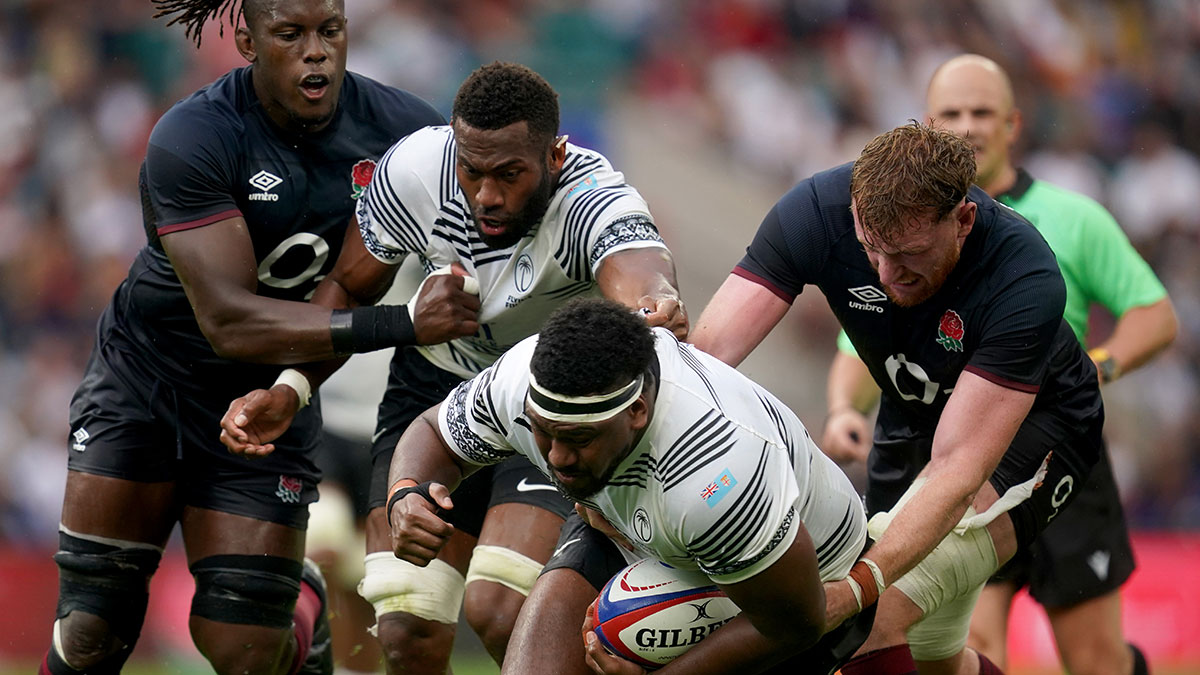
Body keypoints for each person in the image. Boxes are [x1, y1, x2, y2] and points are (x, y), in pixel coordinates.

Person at [220, 62, 688, 674]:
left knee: (500, 608)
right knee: (407, 628)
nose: (487, 195)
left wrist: (655, 303)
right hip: (433, 388)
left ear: (555, 156)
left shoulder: (593, 200)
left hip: (547, 404)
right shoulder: (413, 171)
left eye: (509, 174)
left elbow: (640, 271)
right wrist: (294, 385)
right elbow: (350, 287)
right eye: (472, 172)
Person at [45, 0, 444, 673]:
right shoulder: (195, 134)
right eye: (290, 34)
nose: (315, 52)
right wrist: (403, 324)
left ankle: (303, 617)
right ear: (247, 39)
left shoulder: (407, 135)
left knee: (247, 649)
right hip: (146, 380)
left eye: (330, 32)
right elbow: (229, 320)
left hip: (270, 394)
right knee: (92, 625)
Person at [690, 122, 1105, 674]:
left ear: (962, 220)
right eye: (870, 250)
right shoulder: (816, 211)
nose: (887, 274)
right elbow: (706, 359)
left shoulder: (1024, 274)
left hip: (1036, 435)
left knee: (867, 617)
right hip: (913, 423)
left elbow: (958, 468)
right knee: (935, 658)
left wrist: (860, 586)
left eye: (908, 254)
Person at [819, 54, 1175, 675]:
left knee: (1095, 661)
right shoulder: (904, 237)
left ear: (1013, 124)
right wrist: (844, 407)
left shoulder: (1074, 217)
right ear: (927, 128)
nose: (968, 125)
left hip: (1056, 453)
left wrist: (1102, 365)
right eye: (951, 113)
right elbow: (859, 346)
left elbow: (1155, 314)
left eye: (982, 112)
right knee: (968, 640)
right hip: (958, 460)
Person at [386, 297, 876, 675]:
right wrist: (406, 492)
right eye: (543, 433)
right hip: (633, 528)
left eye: (578, 439)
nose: (556, 458)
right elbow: (434, 433)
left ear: (636, 412)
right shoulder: (521, 380)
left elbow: (796, 622)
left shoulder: (713, 468)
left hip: (787, 585)